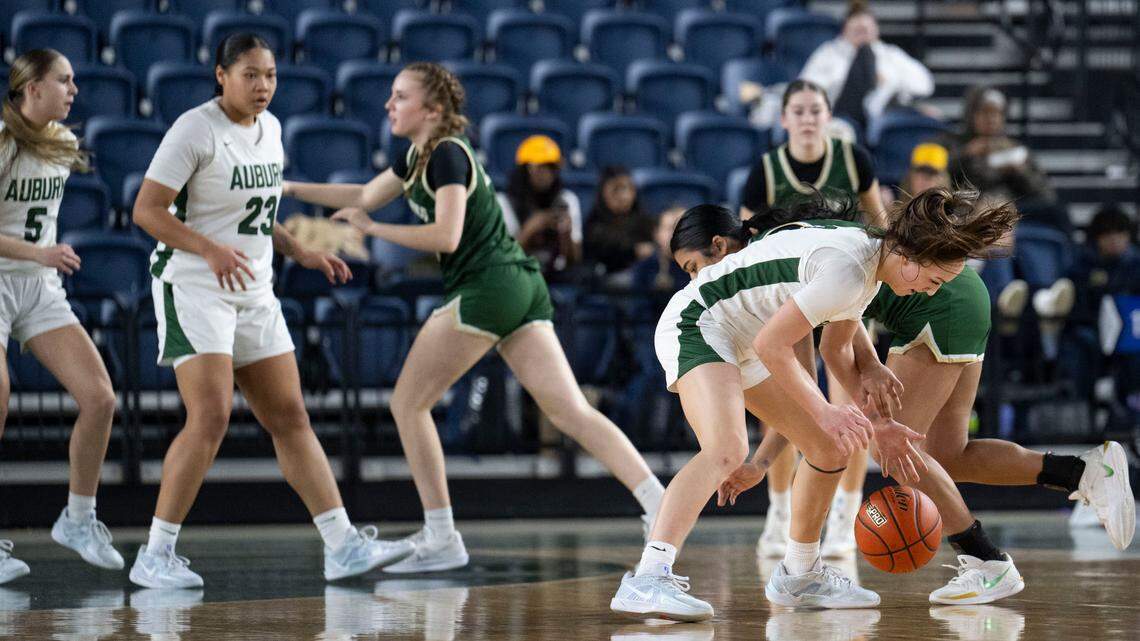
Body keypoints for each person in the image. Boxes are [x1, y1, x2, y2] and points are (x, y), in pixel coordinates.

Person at [283, 62, 665, 573]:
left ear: (432, 110)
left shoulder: (446, 154)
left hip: (488, 286)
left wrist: (373, 230)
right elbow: (361, 195)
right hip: (517, 285)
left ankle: (441, 535)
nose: (389, 105)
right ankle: (659, 504)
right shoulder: (418, 155)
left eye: (400, 96)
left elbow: (446, 236)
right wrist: (287, 189)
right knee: (570, 411)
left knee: (407, 404)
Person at [609, 188, 1018, 620]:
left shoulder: (869, 263)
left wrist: (878, 422)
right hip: (699, 323)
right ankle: (648, 579)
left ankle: (800, 575)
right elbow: (773, 346)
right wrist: (825, 411)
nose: (930, 294)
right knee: (726, 450)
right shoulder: (848, 270)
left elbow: (835, 349)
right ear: (912, 258)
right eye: (933, 282)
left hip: (741, 334)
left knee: (830, 447)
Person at [717, 212, 1134, 606]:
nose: (705, 276)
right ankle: (1084, 472)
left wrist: (877, 420)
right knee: (947, 455)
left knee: (897, 452)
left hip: (936, 305)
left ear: (727, 247)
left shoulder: (782, 268)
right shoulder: (814, 242)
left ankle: (985, 561)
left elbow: (828, 351)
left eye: (698, 266)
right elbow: (840, 338)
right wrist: (870, 369)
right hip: (962, 294)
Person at [130, 34, 411, 589]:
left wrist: (300, 251)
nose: (263, 86)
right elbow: (146, 210)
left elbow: (256, 213)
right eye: (251, 75)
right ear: (221, 76)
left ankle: (342, 545)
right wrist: (209, 249)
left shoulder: (273, 129)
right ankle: (155, 554)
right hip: (194, 285)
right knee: (210, 416)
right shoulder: (194, 129)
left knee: (290, 416)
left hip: (255, 289)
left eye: (271, 75)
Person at [739, 78, 884, 560]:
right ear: (783, 119)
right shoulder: (764, 170)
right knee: (788, 407)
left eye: (814, 110)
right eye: (798, 111)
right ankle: (779, 513)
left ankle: (845, 515)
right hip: (789, 295)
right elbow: (746, 241)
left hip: (845, 284)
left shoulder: (853, 158)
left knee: (852, 404)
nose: (807, 118)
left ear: (828, 116)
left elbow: (879, 224)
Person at [0, 49, 122, 585]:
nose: (74, 90)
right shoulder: (2, 142)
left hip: (39, 285)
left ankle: (78, 519)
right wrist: (39, 252)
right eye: (64, 81)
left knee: (100, 397)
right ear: (32, 88)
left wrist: (41, 257)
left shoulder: (63, 143)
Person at [799, 0, 934, 134]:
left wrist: (888, 80)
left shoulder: (890, 54)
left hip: (883, 117)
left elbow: (925, 84)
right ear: (845, 30)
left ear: (876, 30)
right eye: (858, 30)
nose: (863, 34)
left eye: (866, 30)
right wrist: (844, 81)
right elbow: (804, 89)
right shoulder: (828, 53)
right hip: (840, 117)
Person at [497, 135, 582, 282]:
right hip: (516, 277)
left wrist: (566, 233)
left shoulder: (567, 200)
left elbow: (575, 260)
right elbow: (502, 260)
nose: (546, 174)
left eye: (551, 168)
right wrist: (531, 229)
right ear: (525, 169)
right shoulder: (503, 203)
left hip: (556, 275)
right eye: (540, 168)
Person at [583, 165, 656, 283]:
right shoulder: (593, 225)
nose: (624, 196)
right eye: (616, 189)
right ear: (603, 192)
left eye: (629, 189)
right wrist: (634, 251)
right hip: (604, 282)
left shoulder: (644, 221)